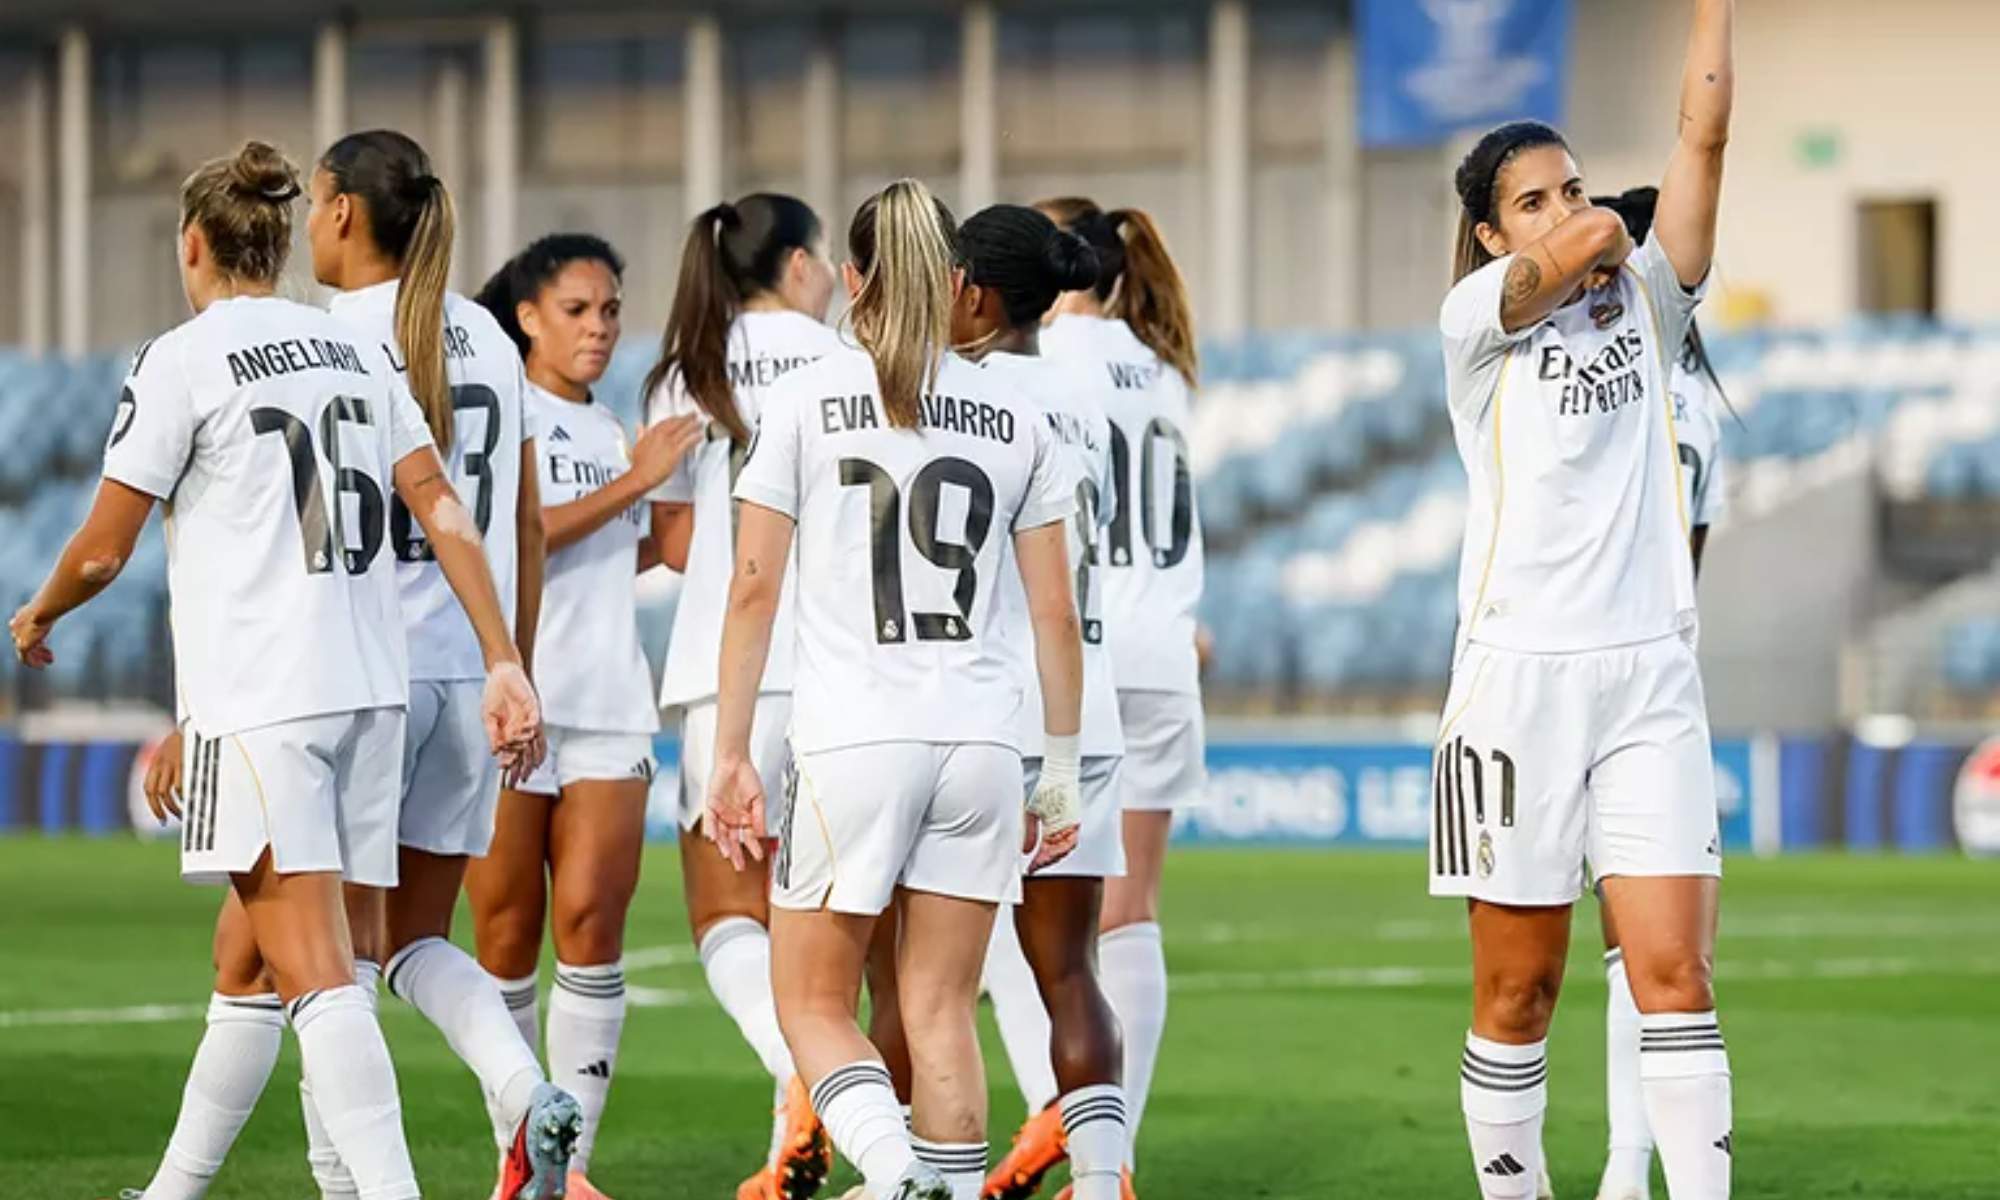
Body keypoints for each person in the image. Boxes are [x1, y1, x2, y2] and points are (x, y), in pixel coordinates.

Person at [8, 141, 541, 1200]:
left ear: (194, 243)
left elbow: (108, 547)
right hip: (371, 695)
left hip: (266, 700)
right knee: (259, 964)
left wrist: (40, 608)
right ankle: (173, 1192)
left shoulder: (184, 358)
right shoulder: (353, 353)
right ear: (283, 236)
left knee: (319, 979)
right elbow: (441, 509)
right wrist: (501, 655)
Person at [702, 178, 1086, 1200]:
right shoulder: (1017, 412)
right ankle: (946, 1189)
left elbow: (750, 590)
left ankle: (895, 1169)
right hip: (981, 741)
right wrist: (1057, 770)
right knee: (942, 1007)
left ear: (858, 278)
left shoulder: (803, 397)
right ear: (951, 276)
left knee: (811, 1003)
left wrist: (729, 751)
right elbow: (1054, 613)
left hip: (853, 739)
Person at [1430, 2, 1735, 1198]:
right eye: (1531, 200)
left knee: (1675, 977)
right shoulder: (1472, 330)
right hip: (1513, 684)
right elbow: (1563, 259)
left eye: (1571, 188)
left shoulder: (1651, 303)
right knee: (1518, 991)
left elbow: (1700, 141)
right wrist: (1592, 230)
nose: (1563, 211)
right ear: (1485, 234)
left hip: (1649, 676)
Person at [313, 129, 578, 1200]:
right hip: (469, 676)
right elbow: (518, 523)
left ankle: (349, 1185)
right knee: (415, 942)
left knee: (326, 969)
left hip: (355, 678)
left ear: (338, 211)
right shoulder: (485, 336)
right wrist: (508, 665)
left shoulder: (320, 335)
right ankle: (525, 1090)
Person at [467, 233, 702, 1200]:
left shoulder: (615, 430)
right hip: (516, 700)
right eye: (578, 309)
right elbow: (514, 538)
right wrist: (636, 485)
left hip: (607, 701)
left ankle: (569, 1169)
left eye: (610, 309)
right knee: (507, 937)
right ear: (527, 317)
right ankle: (515, 1157)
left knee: (593, 926)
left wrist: (667, 505)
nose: (600, 327)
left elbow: (618, 552)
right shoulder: (498, 413)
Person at [641, 193, 842, 1200]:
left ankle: (794, 1073)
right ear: (803, 266)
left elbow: (677, 545)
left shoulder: (683, 373)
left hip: (724, 672)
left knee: (725, 913)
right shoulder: (846, 367)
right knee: (814, 921)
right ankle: (808, 1110)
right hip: (840, 668)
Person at [941, 205, 1131, 1200]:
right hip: (1083, 714)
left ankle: (921, 1177)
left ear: (971, 289)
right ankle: (1101, 1184)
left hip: (981, 710)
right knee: (1070, 971)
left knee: (924, 986)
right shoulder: (1079, 392)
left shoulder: (953, 396)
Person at [1031, 197, 1205, 1189]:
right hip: (1163, 655)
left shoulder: (1047, 364)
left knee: (1043, 909)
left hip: (1085, 657)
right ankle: (1114, 1156)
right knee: (1132, 910)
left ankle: (1068, 1128)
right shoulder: (1163, 366)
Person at [1578, 184, 1732, 1200]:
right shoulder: (1705, 411)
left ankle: (1623, 1169)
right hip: (1660, 675)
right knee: (1670, 953)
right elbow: (1691, 561)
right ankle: (1635, 1170)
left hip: (1575, 667)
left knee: (1611, 946)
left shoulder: (1584, 383)